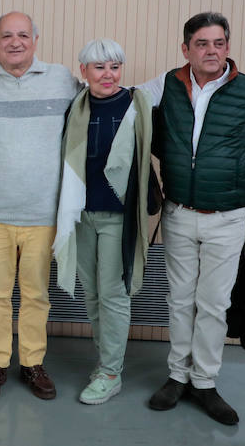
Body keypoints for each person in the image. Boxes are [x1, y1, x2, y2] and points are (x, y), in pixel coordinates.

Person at [141, 12, 245, 426]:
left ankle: (205, 381)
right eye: (201, 43)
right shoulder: (165, 85)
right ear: (186, 49)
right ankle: (177, 376)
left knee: (213, 305)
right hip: (179, 212)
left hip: (228, 216)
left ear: (228, 48)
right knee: (179, 300)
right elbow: (121, 97)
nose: (210, 51)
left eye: (218, 43)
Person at [0, 11, 81, 401]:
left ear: (36, 39)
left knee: (35, 294)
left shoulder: (63, 79)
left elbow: (101, 95)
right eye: (7, 36)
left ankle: (32, 362)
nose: (15, 42)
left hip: (44, 212)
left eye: (23, 35)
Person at [52, 38, 153, 406]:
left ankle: (111, 372)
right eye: (99, 67)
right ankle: (105, 364)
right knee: (92, 295)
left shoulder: (137, 104)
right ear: (84, 71)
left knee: (113, 295)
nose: (108, 74)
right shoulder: (74, 106)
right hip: (80, 214)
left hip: (118, 216)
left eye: (114, 66)